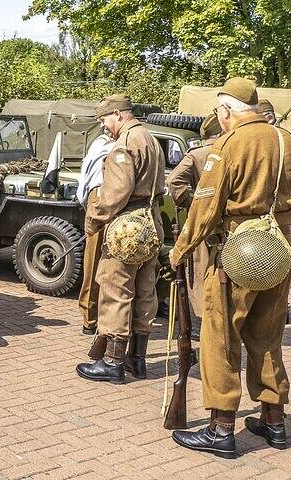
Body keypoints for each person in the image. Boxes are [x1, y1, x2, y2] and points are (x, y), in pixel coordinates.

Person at [168, 77, 291, 458]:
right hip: (277, 251)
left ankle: (220, 430)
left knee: (221, 337)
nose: (220, 119)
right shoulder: (288, 141)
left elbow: (205, 208)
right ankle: (274, 421)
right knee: (267, 337)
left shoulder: (228, 143)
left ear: (227, 111)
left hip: (238, 248)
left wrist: (181, 250)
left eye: (221, 113)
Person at [76, 94, 164, 383]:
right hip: (151, 223)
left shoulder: (124, 145)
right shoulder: (149, 138)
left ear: (118, 114)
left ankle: (113, 361)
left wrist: (93, 220)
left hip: (127, 227)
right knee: (144, 290)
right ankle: (136, 359)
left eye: (104, 120)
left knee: (115, 289)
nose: (104, 127)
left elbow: (114, 194)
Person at [165, 114, 222, 321]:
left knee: (200, 274)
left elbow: (174, 182)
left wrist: (194, 203)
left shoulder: (197, 154)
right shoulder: (229, 151)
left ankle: (203, 320)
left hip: (201, 223)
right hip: (230, 223)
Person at [77, 132, 115, 335]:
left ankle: (109, 316)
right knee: (93, 261)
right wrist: (89, 205)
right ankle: (89, 317)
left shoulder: (132, 139)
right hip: (100, 195)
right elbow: (88, 175)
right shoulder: (101, 144)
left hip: (120, 198)